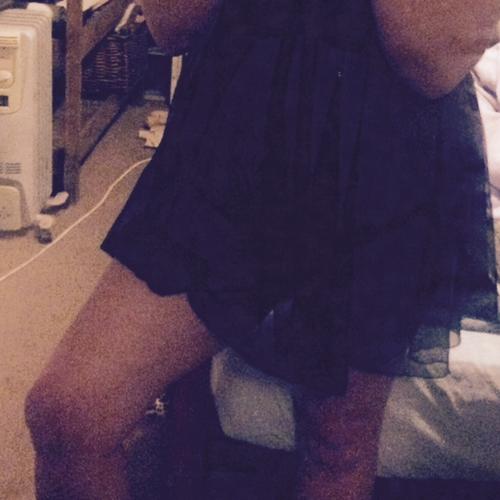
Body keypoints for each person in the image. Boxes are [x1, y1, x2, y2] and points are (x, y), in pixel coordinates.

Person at [25, 1, 500, 499]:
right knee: (68, 414)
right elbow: (170, 27)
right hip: (233, 142)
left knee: (336, 444)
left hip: (380, 160)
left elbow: (433, 59)